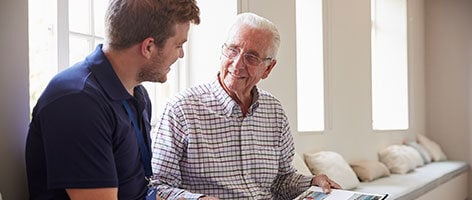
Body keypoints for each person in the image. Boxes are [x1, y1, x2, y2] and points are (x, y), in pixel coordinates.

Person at [150, 12, 341, 200]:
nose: (237, 63)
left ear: (268, 68)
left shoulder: (274, 112)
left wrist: (311, 183)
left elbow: (281, 181)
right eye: (232, 50)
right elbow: (157, 187)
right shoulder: (181, 110)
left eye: (251, 57)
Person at [25, 0, 200, 199]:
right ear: (148, 47)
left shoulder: (137, 94)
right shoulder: (77, 103)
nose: (182, 54)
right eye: (179, 45)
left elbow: (138, 191)